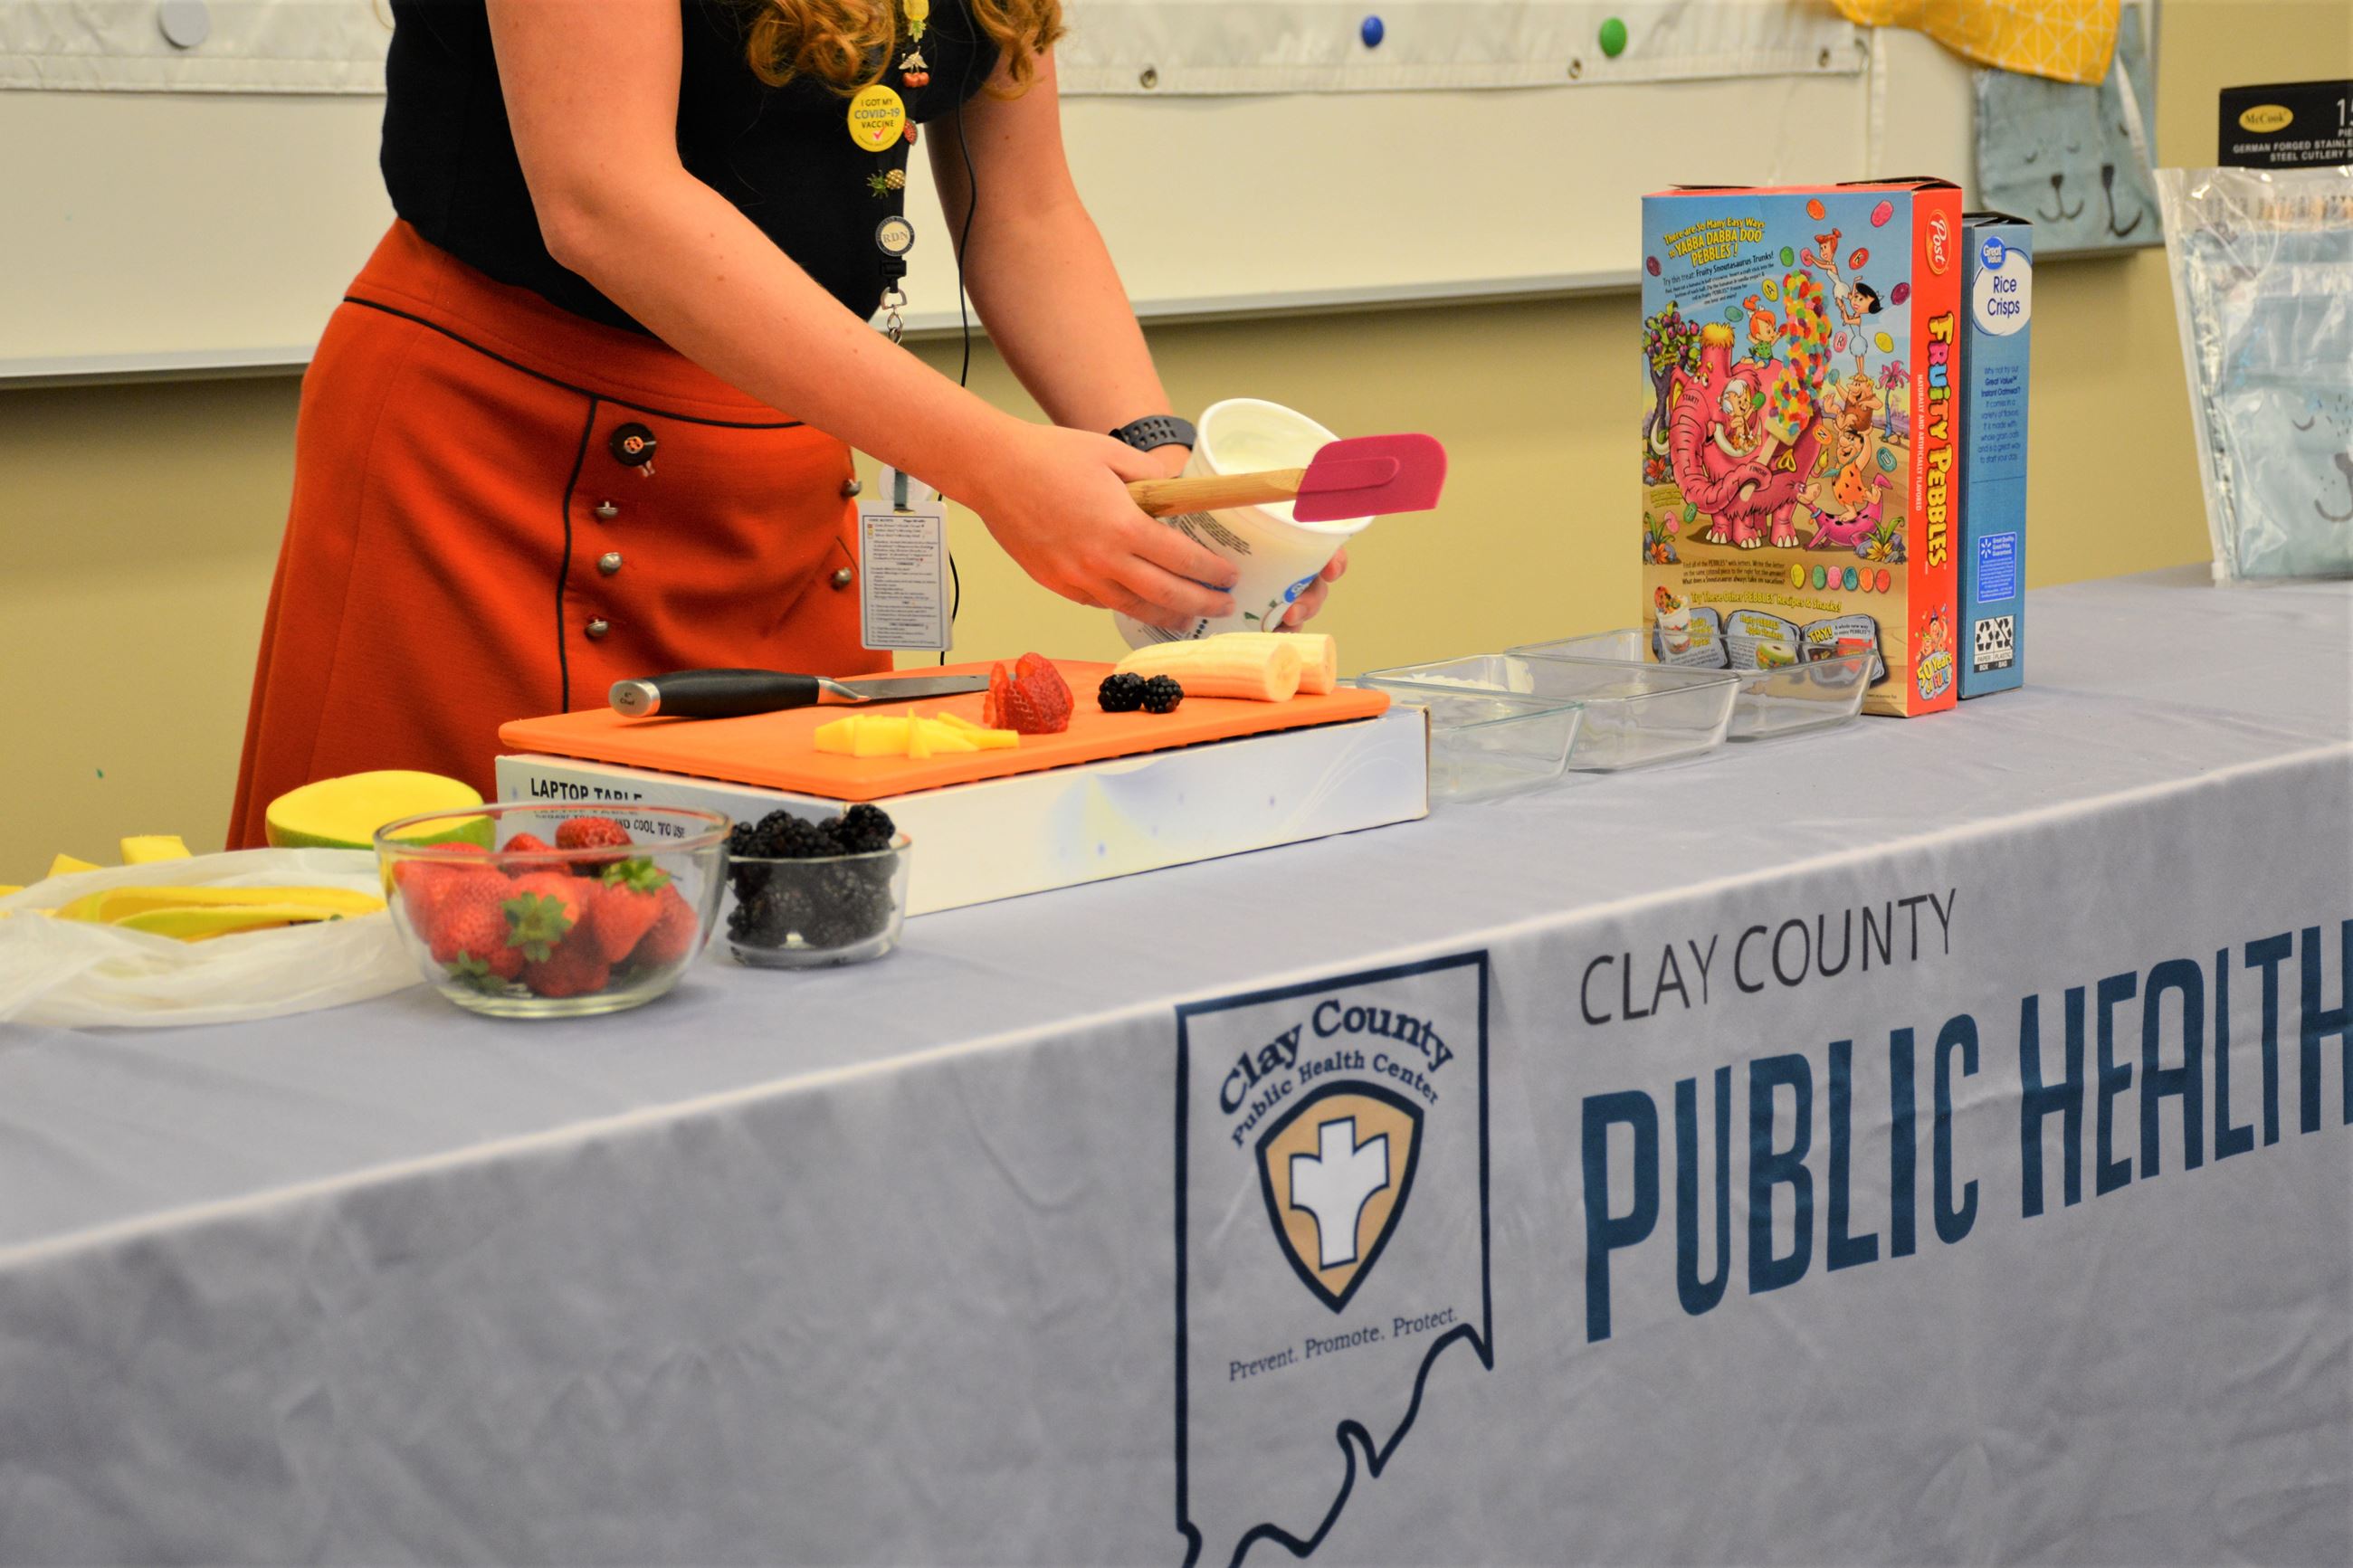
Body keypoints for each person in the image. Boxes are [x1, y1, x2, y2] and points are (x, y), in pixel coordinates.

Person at [228, 0, 1345, 846]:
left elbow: (1026, 211)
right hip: (495, 466)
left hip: (786, 465)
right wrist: (994, 464)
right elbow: (603, 198)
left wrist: (1164, 477)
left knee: (807, 942)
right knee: (473, 955)